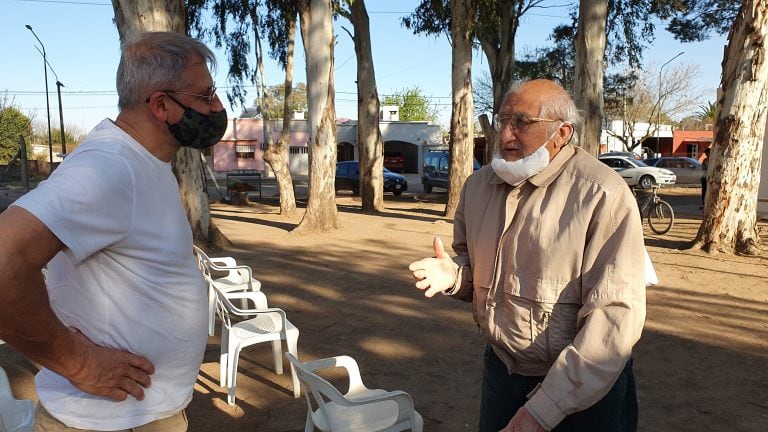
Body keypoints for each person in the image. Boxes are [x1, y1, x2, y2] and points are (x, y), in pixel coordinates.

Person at [0, 32, 227, 431]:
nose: (217, 107)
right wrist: (77, 362)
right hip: (105, 421)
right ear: (161, 104)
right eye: (206, 95)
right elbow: (3, 260)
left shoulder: (145, 162)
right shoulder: (110, 166)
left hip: (140, 414)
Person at [409, 79, 646, 432]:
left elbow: (613, 320)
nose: (504, 136)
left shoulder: (602, 195)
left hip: (583, 388)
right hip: (502, 372)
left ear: (562, 133)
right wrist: (454, 276)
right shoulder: (477, 188)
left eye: (521, 123)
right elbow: (470, 267)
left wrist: (543, 409)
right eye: (501, 121)